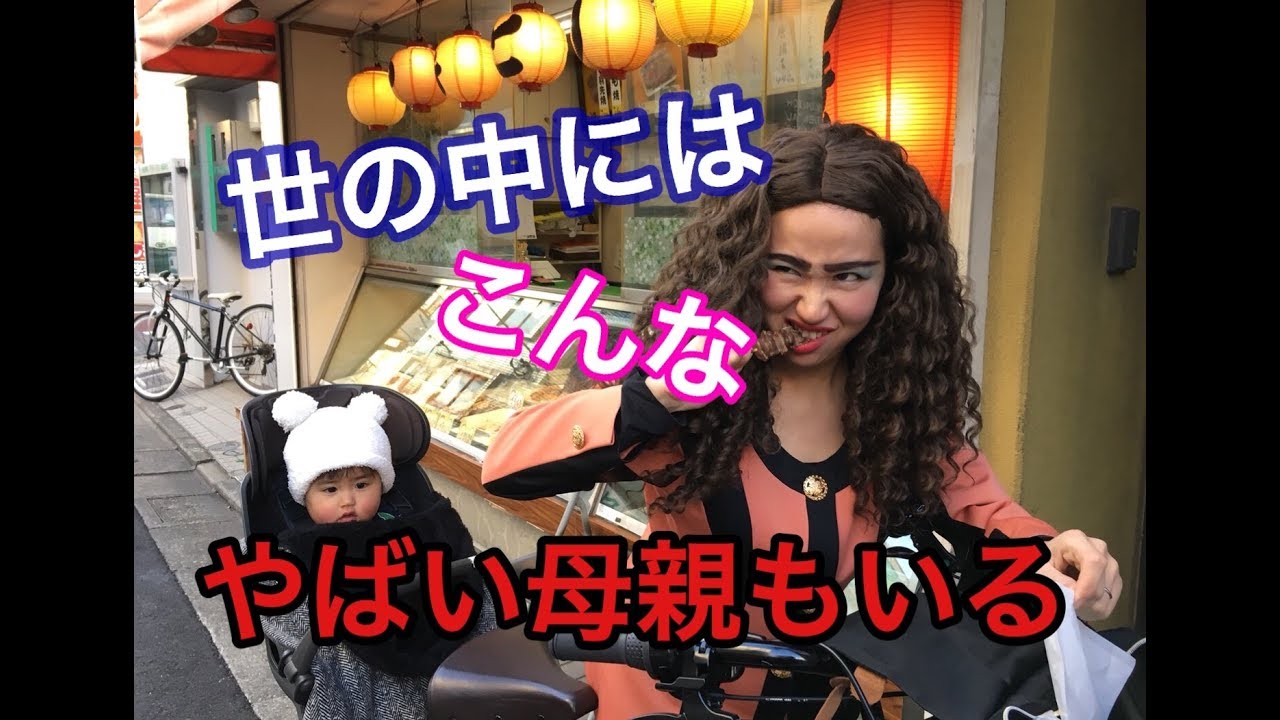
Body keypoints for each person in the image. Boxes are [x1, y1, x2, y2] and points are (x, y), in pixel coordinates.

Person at [480, 122, 1124, 720]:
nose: (812, 307)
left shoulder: (899, 400)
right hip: (670, 691)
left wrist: (1057, 554)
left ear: (892, 279)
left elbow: (983, 509)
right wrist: (649, 401)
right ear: (742, 262)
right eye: (785, 269)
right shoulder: (693, 380)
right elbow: (506, 467)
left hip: (822, 693)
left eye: (848, 276)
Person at [260, 390, 488, 720]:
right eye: (330, 489)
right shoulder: (293, 548)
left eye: (362, 485)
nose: (348, 501)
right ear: (303, 496)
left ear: (382, 483)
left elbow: (458, 565)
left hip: (435, 627)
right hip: (357, 652)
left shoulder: (416, 517)